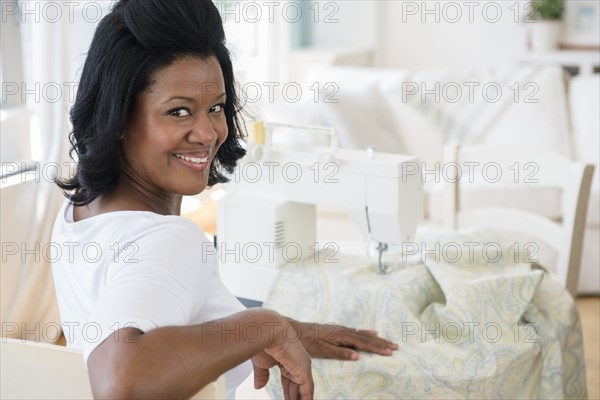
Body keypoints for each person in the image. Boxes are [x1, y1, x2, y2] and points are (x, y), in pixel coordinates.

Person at [51, 0, 398, 398]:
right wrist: (263, 325)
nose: (208, 132)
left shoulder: (79, 215)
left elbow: (149, 309)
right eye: (179, 112)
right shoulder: (169, 240)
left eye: (215, 107)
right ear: (117, 118)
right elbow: (121, 383)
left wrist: (288, 329)